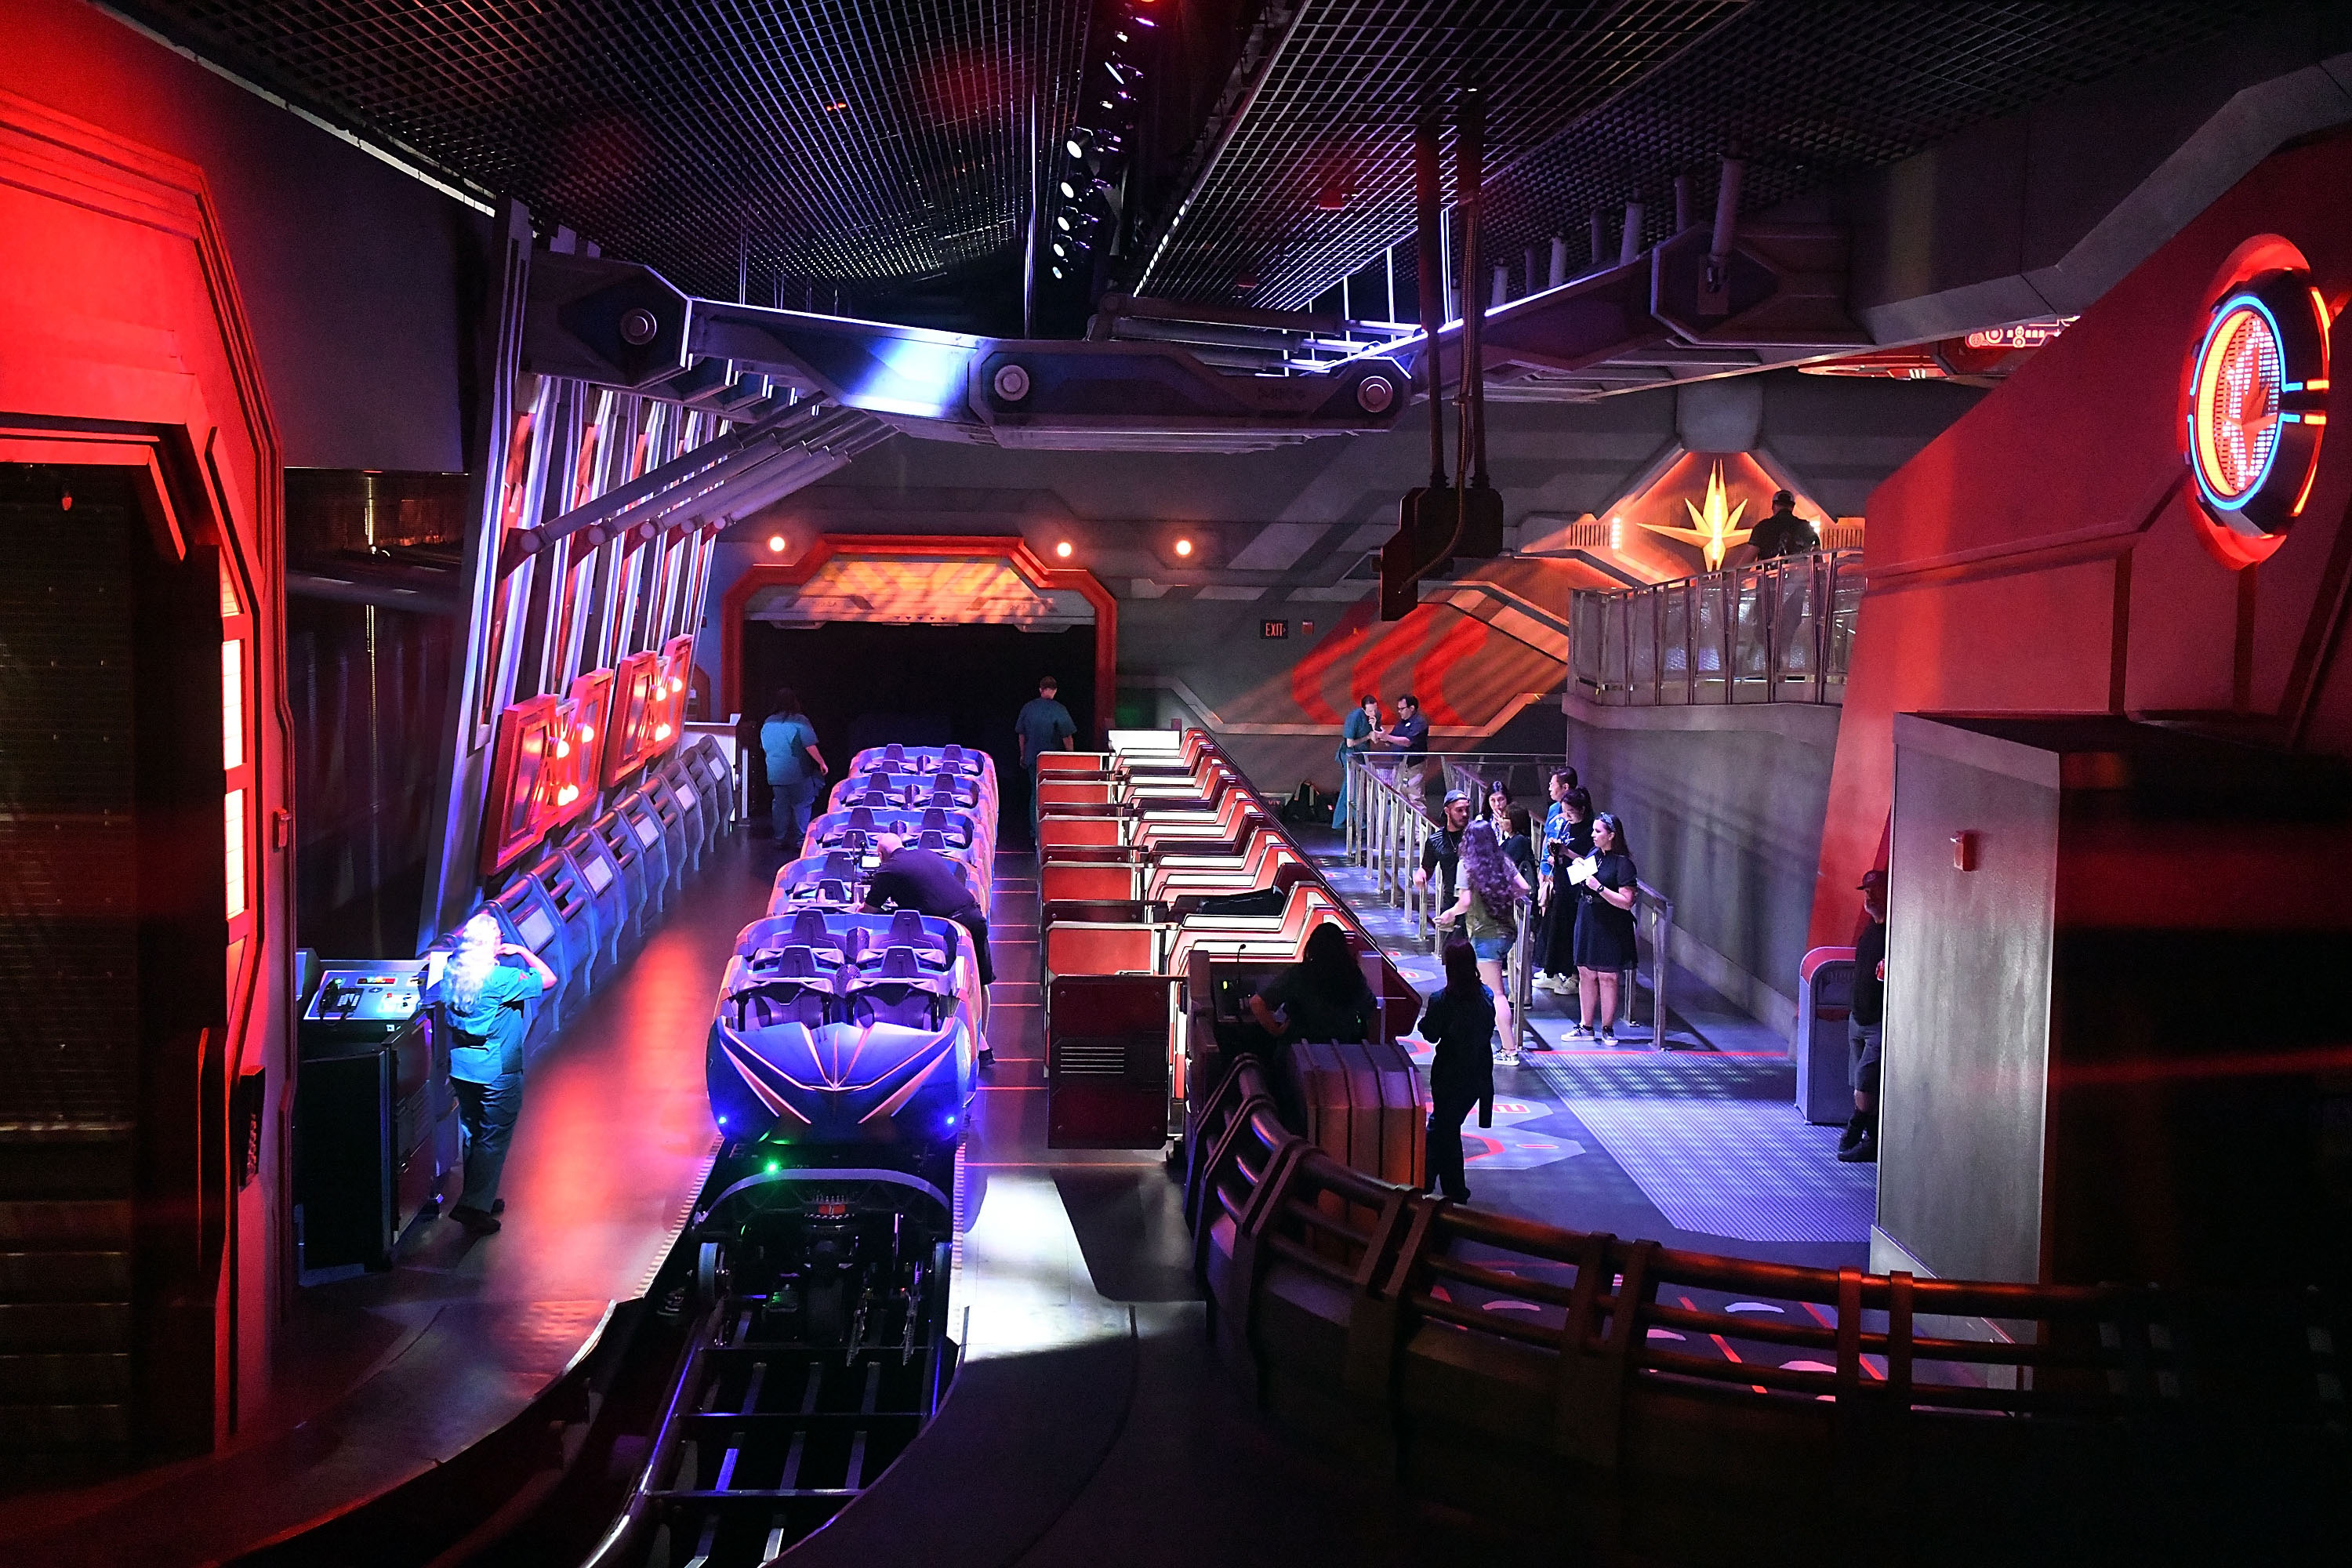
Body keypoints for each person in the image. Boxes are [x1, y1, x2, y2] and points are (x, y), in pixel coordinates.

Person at [423, 912, 557, 1235]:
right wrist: (522, 951)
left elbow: (434, 995)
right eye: (499, 935)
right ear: (492, 943)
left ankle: (479, 1195)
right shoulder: (501, 979)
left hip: (462, 1068)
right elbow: (548, 978)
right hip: (498, 1071)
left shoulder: (454, 970)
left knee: (473, 1133)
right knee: (494, 1137)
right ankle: (473, 1208)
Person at [1439, 820, 1530, 1066]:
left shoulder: (1466, 865)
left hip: (1484, 935)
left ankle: (1509, 1050)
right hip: (1506, 932)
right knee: (1493, 990)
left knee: (1497, 993)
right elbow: (1524, 887)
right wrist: (1502, 895)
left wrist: (1449, 914)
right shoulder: (1503, 861)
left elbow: (1465, 903)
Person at [862, 833, 995, 991]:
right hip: (974, 918)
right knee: (980, 984)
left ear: (880, 855)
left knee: (954, 990)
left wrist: (857, 909)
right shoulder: (928, 854)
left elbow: (869, 911)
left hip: (950, 930)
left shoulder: (888, 869)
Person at [1417, 939, 1496, 1203]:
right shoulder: (1486, 996)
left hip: (1449, 1075)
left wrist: (1425, 1023)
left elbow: (1431, 1034)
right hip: (1478, 1075)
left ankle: (1438, 1187)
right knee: (1446, 1128)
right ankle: (1443, 1187)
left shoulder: (1442, 1000)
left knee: (1443, 1129)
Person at [1568, 811, 1640, 1044]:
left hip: (1610, 922)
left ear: (1611, 835)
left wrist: (1599, 888)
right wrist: (1578, 867)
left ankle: (1607, 1027)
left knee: (1608, 976)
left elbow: (1626, 901)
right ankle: (1586, 1026)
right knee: (1586, 973)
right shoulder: (1594, 854)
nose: (1593, 834)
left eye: (1598, 831)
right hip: (1588, 917)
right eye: (1593, 830)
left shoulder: (1623, 863)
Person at [1841, 869, 1888, 1163]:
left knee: (1865, 1082)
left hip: (1877, 1023)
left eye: (1875, 891)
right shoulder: (1870, 930)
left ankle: (1856, 1129)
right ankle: (1871, 1137)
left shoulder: (1892, 933)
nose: (1869, 897)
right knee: (1860, 1081)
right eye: (1867, 892)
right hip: (1858, 1018)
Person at [1536, 783, 1594, 995]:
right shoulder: (1566, 825)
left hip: (1577, 889)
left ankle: (1574, 976)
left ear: (1582, 810)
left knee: (1572, 933)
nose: (1567, 816)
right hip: (1561, 883)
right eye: (1564, 812)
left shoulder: (1589, 831)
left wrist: (1566, 852)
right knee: (1556, 930)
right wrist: (1555, 854)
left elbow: (1590, 861)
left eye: (1571, 812)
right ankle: (1554, 972)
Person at [760, 687, 826, 855]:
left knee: (780, 806)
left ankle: (779, 838)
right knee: (802, 805)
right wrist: (821, 763)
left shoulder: (768, 722)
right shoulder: (800, 721)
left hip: (775, 772)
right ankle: (800, 840)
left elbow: (765, 746)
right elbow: (809, 745)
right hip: (798, 772)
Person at [1014, 675, 1077, 845]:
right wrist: (1071, 757)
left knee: (1035, 794)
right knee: (1053, 796)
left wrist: (1023, 754)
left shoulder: (1028, 708)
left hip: (1032, 758)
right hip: (1052, 761)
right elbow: (1067, 736)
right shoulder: (1059, 709)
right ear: (1055, 691)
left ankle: (1035, 832)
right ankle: (1051, 832)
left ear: (1040, 689)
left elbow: (1021, 734)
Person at [1413, 788, 1473, 925]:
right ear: (1447, 811)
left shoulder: (1477, 835)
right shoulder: (1435, 841)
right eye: (1459, 810)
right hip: (1451, 899)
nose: (1465, 814)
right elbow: (1426, 868)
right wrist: (1420, 876)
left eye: (1467, 810)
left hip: (1475, 900)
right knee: (1449, 937)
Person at [1332, 695, 1381, 830]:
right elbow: (1350, 743)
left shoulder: (1377, 716)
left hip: (1362, 754)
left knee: (1348, 787)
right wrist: (1367, 736)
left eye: (1375, 710)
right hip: (1349, 753)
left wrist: (1374, 727)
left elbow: (1376, 739)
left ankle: (1338, 822)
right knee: (1353, 787)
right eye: (1370, 711)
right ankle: (1360, 822)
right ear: (1363, 709)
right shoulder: (1354, 717)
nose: (1373, 713)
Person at [1376, 693, 1432, 811]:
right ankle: (1400, 824)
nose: (1399, 712)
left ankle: (1418, 823)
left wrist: (1387, 737)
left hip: (1413, 767)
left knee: (1415, 798)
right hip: (1400, 766)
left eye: (1402, 709)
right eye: (1398, 709)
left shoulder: (1419, 723)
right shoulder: (1401, 723)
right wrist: (1383, 737)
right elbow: (1391, 739)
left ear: (1412, 708)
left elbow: (1407, 742)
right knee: (1398, 798)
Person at [1747, 489, 1820, 561]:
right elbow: (1818, 558)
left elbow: (1747, 561)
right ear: (1792, 507)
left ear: (1773, 506)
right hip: (1800, 568)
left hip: (1770, 569)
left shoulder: (1762, 527)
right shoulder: (1807, 528)